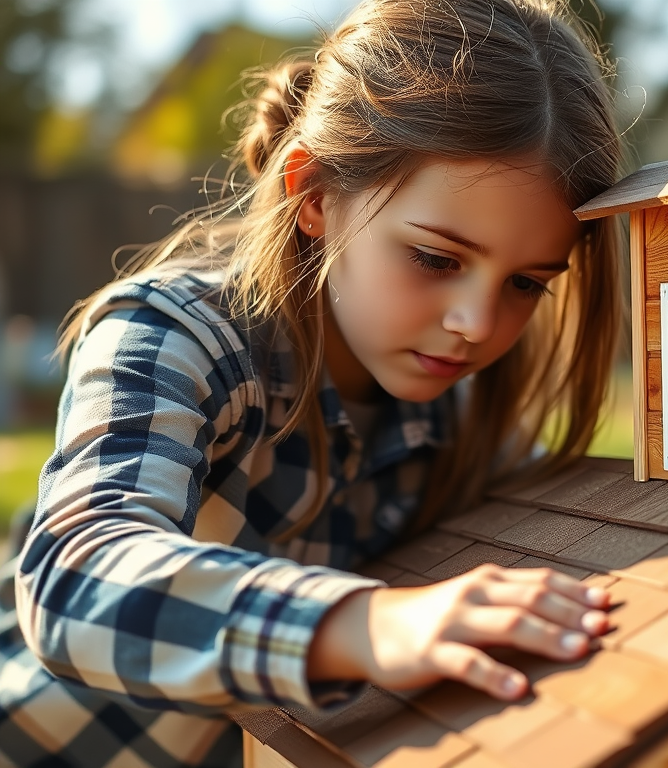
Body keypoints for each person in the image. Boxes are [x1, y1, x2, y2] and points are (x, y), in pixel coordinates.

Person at [0, 0, 625, 765]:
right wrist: (368, 626)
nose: (476, 321)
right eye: (436, 258)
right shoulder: (177, 333)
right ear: (318, 196)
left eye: (527, 283)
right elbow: (75, 576)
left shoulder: (466, 420)